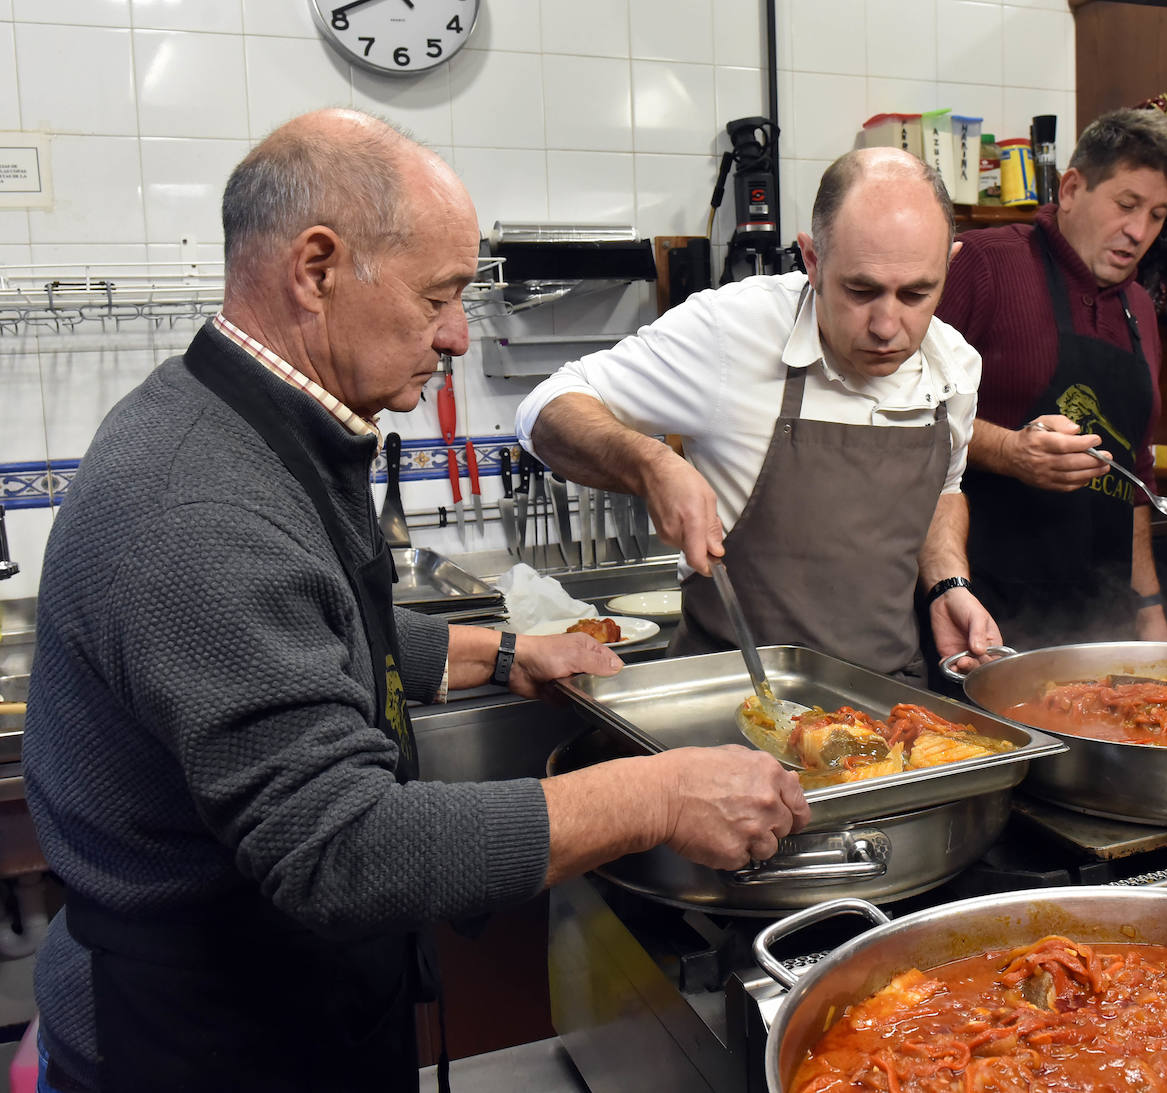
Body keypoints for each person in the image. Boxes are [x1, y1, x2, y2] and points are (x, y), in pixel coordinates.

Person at [22, 109, 809, 1093]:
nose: (453, 336)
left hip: (287, 1011)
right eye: (438, 296)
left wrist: (495, 653)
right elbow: (342, 848)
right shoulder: (199, 507)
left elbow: (313, 622)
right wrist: (660, 793)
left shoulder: (247, 425)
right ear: (315, 270)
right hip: (203, 1048)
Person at [515, 148, 999, 682]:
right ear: (812, 260)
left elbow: (942, 493)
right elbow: (544, 409)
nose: (888, 325)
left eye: (916, 293)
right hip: (732, 705)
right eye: (860, 291)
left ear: (949, 265)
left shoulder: (953, 365)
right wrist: (650, 464)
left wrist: (948, 585)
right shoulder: (732, 333)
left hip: (885, 704)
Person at [935, 108, 1167, 648]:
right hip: (982, 611)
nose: (1139, 231)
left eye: (1158, 214)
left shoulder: (1140, 309)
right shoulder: (984, 265)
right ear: (1072, 187)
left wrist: (1148, 610)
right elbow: (907, 413)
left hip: (1101, 616)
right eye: (1126, 205)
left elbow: (1136, 477)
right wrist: (1010, 450)